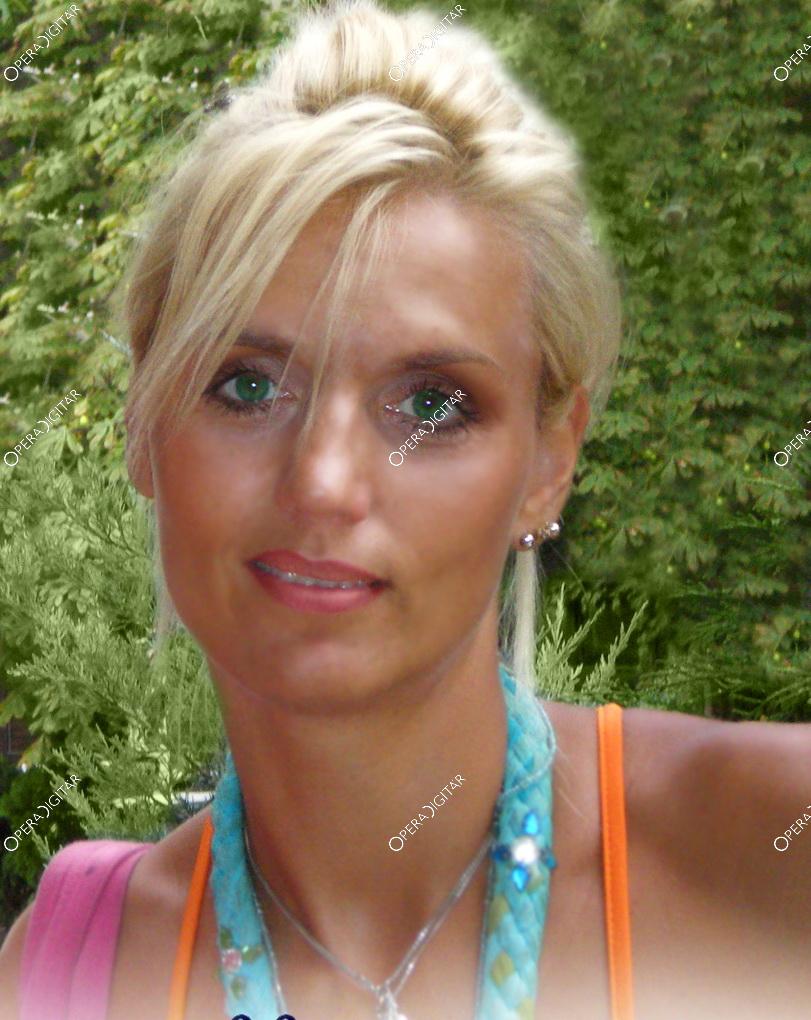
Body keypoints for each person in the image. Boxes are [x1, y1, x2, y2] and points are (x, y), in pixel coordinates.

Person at [1, 1, 809, 1018]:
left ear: (548, 462)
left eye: (431, 405)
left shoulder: (771, 856)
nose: (323, 481)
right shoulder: (69, 969)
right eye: (246, 385)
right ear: (142, 424)